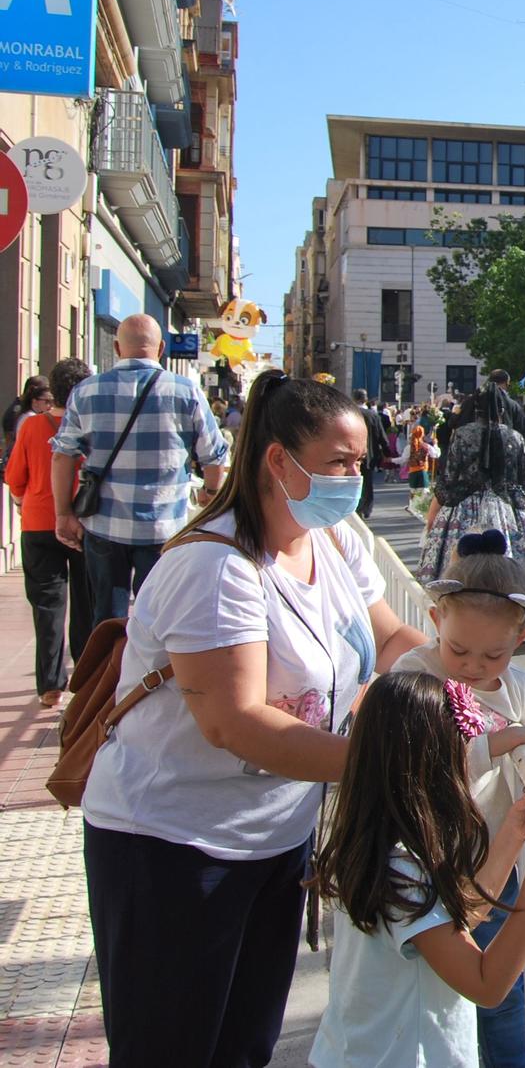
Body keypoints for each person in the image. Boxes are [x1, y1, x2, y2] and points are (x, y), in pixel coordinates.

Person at [81, 371, 431, 1067]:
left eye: (360, 462)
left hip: (276, 840)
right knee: (170, 1050)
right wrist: (392, 760)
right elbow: (235, 724)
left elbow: (391, 639)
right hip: (175, 848)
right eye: (340, 462)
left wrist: (474, 685)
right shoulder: (219, 567)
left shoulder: (332, 542)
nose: (354, 477)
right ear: (279, 459)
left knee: (244, 1047)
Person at [308, 670, 525, 1068]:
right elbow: (486, 984)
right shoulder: (402, 871)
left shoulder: (375, 844)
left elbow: (458, 918)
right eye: (460, 747)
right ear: (430, 766)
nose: (469, 757)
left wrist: (511, 842)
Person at [393, 532, 525, 1067]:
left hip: (494, 853)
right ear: (437, 618)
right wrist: (494, 745)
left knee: (504, 992)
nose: (472, 665)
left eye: (494, 653)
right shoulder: (414, 676)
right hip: (424, 860)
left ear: (522, 636)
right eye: (459, 650)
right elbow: (413, 759)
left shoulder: (518, 687)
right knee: (437, 987)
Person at [51, 314, 228, 626]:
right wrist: (209, 494)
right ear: (160, 348)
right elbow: (215, 458)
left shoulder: (86, 392)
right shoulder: (186, 392)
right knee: (158, 620)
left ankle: (110, 672)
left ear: (118, 348)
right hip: (163, 528)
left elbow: (62, 456)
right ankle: (147, 674)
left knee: (106, 619)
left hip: (104, 525)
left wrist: (64, 512)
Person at [418, 377, 525, 631]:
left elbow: (450, 480)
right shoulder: (514, 437)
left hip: (464, 506)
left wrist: (435, 514)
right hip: (509, 507)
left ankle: (460, 616)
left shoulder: (463, 436)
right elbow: (522, 483)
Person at [6, 359, 92, 705]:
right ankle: (87, 681)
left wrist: (20, 503)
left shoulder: (31, 426)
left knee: (47, 606)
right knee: (87, 604)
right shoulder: (91, 426)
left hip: (39, 522)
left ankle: (50, 685)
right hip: (86, 524)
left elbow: (15, 478)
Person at [352, 389, 392, 519]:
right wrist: (387, 452)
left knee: (353, 480)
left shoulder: (349, 413)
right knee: (367, 481)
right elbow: (381, 435)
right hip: (369, 454)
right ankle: (366, 508)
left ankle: (354, 506)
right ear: (365, 399)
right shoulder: (372, 415)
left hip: (352, 454)